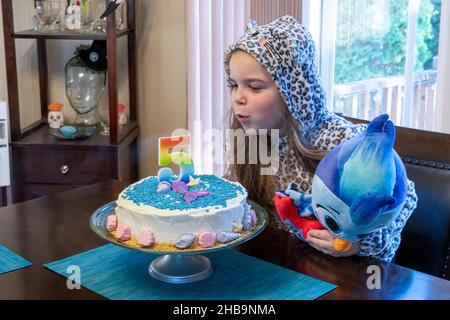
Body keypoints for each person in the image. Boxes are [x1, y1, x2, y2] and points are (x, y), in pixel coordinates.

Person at [222, 16, 418, 262]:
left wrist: (358, 244)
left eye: (254, 86)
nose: (238, 97)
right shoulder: (254, 137)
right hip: (282, 265)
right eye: (233, 84)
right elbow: (232, 193)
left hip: (345, 276)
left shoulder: (344, 142)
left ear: (292, 90)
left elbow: (405, 196)